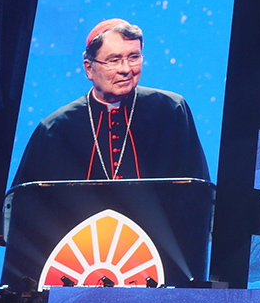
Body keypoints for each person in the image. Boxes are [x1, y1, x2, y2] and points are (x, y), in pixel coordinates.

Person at [12, 19, 209, 185]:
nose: (126, 69)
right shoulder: (55, 128)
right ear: (89, 68)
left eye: (134, 57)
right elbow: (27, 204)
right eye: (114, 60)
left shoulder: (171, 110)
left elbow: (197, 189)